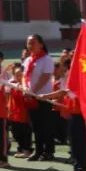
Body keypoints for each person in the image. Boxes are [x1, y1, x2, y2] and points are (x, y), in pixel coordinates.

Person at [22, 34, 55, 162]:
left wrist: (33, 91)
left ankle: (49, 151)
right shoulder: (28, 60)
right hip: (31, 98)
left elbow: (46, 76)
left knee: (45, 125)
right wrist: (26, 89)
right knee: (35, 126)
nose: (30, 45)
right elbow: (25, 77)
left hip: (43, 97)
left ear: (41, 44)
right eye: (28, 43)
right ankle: (38, 150)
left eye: (33, 42)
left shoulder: (46, 59)